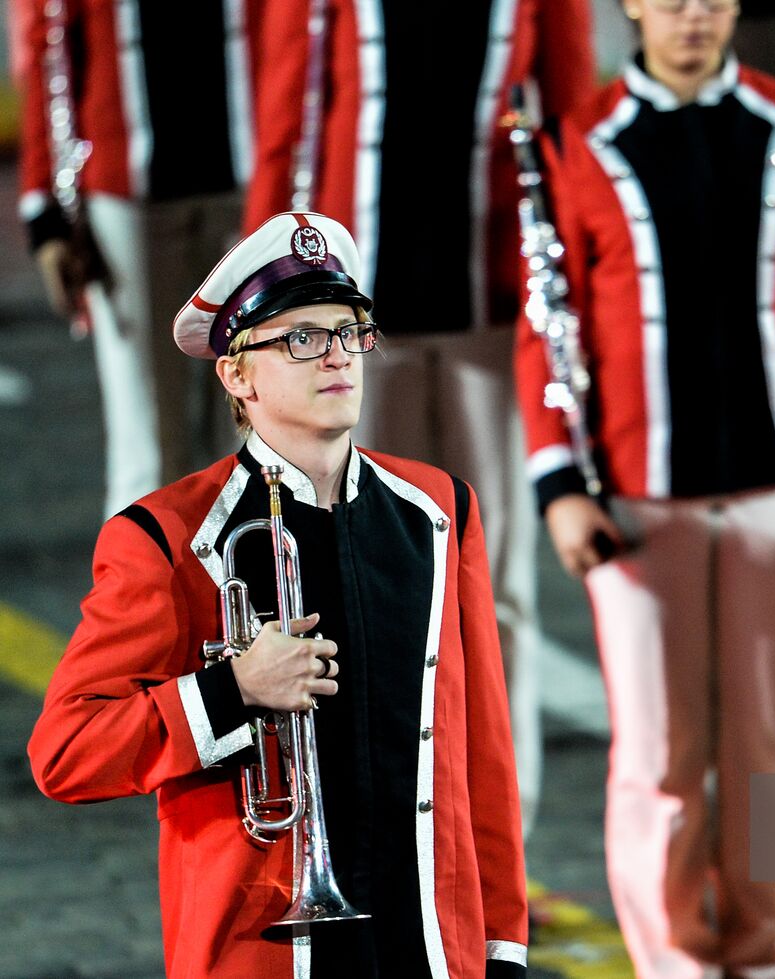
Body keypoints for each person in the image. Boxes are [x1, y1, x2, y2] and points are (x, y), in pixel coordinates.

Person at [28, 212, 530, 978]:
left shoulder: (439, 509)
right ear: (237, 373)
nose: (337, 356)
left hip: (427, 942)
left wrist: (501, 948)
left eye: (349, 330)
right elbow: (64, 752)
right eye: (301, 338)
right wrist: (230, 691)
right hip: (258, 951)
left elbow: (481, 756)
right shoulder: (165, 538)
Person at [514, 0, 775, 974]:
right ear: (628, 5)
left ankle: (763, 952)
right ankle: (673, 960)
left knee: (771, 751)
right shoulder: (569, 140)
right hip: (633, 494)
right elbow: (546, 319)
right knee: (658, 756)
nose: (691, 17)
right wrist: (558, 484)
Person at [241, 0, 597, 838]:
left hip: (491, 305)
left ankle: (500, 838)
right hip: (348, 320)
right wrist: (261, 319)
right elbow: (286, 123)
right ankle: (377, 829)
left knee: (498, 586)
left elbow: (572, 122)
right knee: (356, 572)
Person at [15, 0, 253, 517]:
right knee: (146, 444)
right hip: (128, 195)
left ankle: (243, 592)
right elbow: (49, 46)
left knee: (253, 430)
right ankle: (141, 596)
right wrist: (44, 210)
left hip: (250, 183)